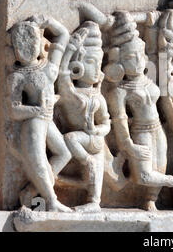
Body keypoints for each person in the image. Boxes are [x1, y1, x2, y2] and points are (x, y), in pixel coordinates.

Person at [104, 12, 173, 211]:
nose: (139, 61)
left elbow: (154, 52)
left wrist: (152, 26)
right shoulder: (119, 91)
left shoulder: (149, 78)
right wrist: (128, 145)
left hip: (158, 128)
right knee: (142, 175)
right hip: (140, 132)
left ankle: (151, 199)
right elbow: (120, 121)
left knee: (159, 167)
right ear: (121, 63)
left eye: (140, 55)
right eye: (131, 58)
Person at [7, 15, 72, 212]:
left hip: (46, 119)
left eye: (31, 40)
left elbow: (63, 35)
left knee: (64, 153)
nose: (26, 47)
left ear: (40, 43)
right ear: (15, 50)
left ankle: (32, 191)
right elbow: (13, 109)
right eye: (20, 44)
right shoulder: (16, 77)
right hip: (34, 121)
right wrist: (37, 109)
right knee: (38, 161)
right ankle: (51, 201)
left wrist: (47, 21)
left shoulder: (49, 68)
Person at [56, 21, 111, 212]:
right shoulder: (72, 94)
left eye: (99, 64)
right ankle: (87, 162)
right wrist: (70, 49)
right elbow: (62, 75)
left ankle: (94, 202)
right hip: (82, 141)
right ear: (77, 65)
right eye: (91, 62)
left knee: (76, 142)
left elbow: (106, 122)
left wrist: (98, 130)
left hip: (93, 139)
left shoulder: (98, 97)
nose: (97, 69)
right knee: (71, 139)